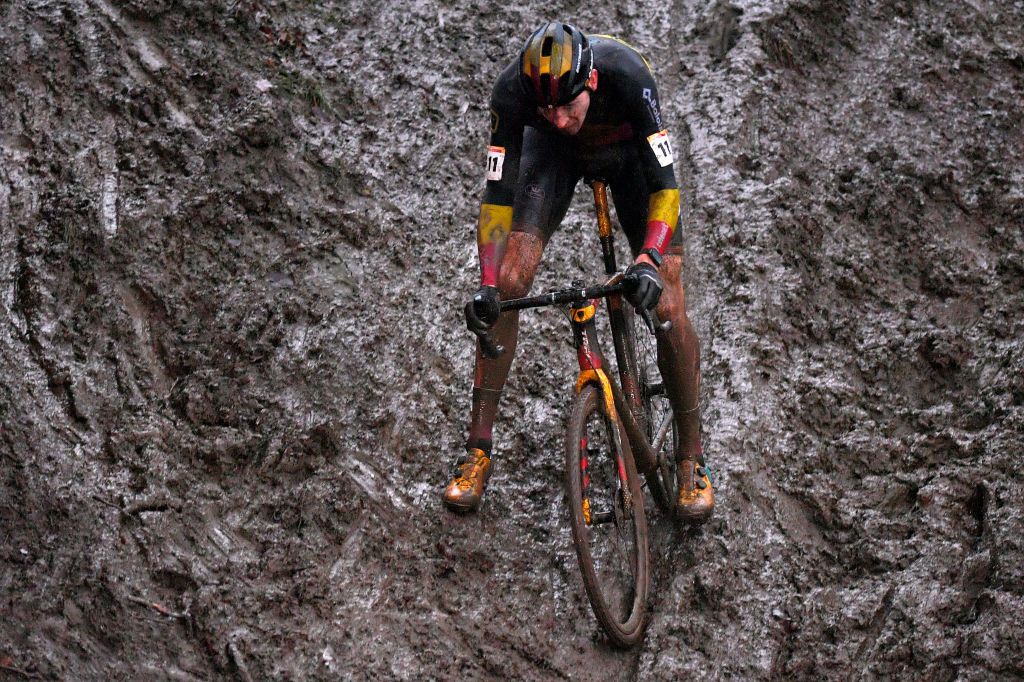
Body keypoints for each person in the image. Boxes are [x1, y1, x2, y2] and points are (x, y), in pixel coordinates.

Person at [444, 21, 713, 522]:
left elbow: (667, 185)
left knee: (670, 302)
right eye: (546, 110)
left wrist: (649, 260)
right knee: (507, 285)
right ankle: (477, 450)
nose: (561, 118)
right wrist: (486, 283)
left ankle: (691, 457)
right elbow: (497, 198)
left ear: (590, 83)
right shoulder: (512, 94)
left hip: (632, 161)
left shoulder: (629, 75)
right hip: (555, 162)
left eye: (568, 106)